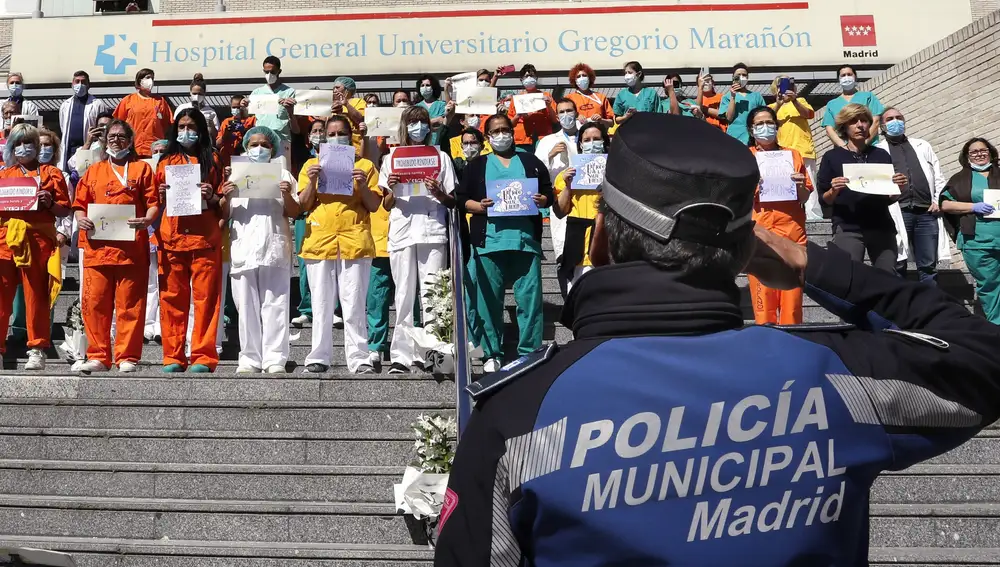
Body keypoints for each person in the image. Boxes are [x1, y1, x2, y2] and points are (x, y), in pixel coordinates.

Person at [435, 112, 1000, 566]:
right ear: (744, 251)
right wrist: (810, 263)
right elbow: (983, 354)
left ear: (600, 240)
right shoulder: (836, 376)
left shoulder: (518, 413)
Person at [458, 113, 551, 373]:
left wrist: (543, 201)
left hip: (525, 242)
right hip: (489, 242)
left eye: (504, 129)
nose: (501, 135)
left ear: (512, 131)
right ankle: (491, 353)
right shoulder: (476, 166)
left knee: (530, 301)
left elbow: (548, 193)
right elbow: (461, 199)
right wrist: (478, 207)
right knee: (488, 301)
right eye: (495, 131)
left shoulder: (531, 161)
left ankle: (530, 352)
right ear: (487, 137)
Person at [71, 120, 158, 373]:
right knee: (95, 303)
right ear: (105, 139)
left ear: (130, 141)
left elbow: (153, 202)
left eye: (121, 136)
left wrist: (148, 220)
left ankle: (127, 356)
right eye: (112, 136)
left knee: (130, 304)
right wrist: (80, 218)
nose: (115, 140)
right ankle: (98, 355)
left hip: (131, 250)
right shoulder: (94, 171)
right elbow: (79, 203)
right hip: (98, 249)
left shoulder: (142, 169)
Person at [298, 115, 382, 374]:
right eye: (331, 134)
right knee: (321, 302)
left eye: (341, 133)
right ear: (324, 138)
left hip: (354, 239)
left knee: (354, 302)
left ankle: (359, 358)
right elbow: (302, 204)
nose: (336, 138)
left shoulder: (365, 165)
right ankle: (319, 356)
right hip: (320, 239)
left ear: (351, 135)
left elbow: (374, 204)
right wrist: (312, 181)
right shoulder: (311, 164)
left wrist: (361, 185)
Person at [379, 105, 457, 374]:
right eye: (413, 122)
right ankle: (402, 355)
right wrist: (390, 187)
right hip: (402, 232)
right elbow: (387, 204)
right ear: (405, 125)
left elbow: (451, 199)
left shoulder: (441, 156)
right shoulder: (391, 158)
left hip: (432, 229)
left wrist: (437, 191)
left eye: (423, 121)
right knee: (402, 295)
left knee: (434, 294)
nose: (418, 127)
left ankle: (435, 356)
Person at [220, 126, 299, 374]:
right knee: (246, 306)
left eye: (264, 144)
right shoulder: (236, 175)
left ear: (272, 148)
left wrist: (286, 194)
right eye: (254, 144)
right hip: (243, 246)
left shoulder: (283, 173)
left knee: (275, 303)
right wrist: (226, 195)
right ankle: (250, 358)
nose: (259, 149)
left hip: (274, 246)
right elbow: (223, 214)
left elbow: (295, 211)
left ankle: (275, 358)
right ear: (246, 148)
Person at [154, 108, 225, 373]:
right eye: (181, 126)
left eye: (191, 126)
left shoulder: (214, 159)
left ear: (201, 130)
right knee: (172, 298)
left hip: (204, 237)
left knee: (206, 299)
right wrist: (161, 194)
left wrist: (212, 195)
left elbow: (223, 200)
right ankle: (173, 356)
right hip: (172, 237)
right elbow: (154, 201)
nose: (186, 131)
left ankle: (203, 355)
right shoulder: (165, 161)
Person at [0, 124, 71, 370]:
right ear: (11, 147)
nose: (24, 147)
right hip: (7, 239)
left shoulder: (52, 173)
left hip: (39, 240)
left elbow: (65, 209)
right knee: (1, 295)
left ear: (38, 145)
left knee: (36, 296)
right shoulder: (4, 174)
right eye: (18, 143)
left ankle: (37, 348)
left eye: (28, 141)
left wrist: (50, 202)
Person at [817, 103, 906, 272]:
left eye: (864, 121)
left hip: (881, 226)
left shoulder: (881, 155)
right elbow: (824, 200)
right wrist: (833, 190)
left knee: (887, 276)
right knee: (850, 276)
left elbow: (890, 198)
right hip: (848, 226)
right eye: (854, 121)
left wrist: (898, 188)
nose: (860, 125)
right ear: (844, 126)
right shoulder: (832, 157)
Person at [746, 106, 812, 324]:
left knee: (792, 301)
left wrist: (800, 185)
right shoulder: (746, 157)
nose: (765, 128)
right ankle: (765, 346)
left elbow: (804, 197)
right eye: (759, 124)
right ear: (751, 129)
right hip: (760, 232)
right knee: (763, 298)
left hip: (792, 231)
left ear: (777, 125)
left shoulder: (793, 155)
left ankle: (793, 345)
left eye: (769, 123)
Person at [875, 107, 949, 284]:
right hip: (898, 211)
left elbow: (938, 175)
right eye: (890, 119)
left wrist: (938, 200)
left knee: (928, 265)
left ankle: (931, 308)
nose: (896, 121)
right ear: (882, 126)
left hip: (926, 212)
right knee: (899, 262)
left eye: (899, 117)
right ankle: (902, 308)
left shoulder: (922, 145)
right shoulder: (878, 151)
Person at [941, 138, 1000, 323]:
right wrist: (973, 207)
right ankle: (997, 325)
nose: (979, 154)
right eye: (974, 152)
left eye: (983, 150)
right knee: (990, 286)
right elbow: (945, 204)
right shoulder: (960, 179)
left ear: (990, 152)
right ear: (967, 157)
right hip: (977, 242)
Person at [552, 122, 607, 293]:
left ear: (604, 141)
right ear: (581, 144)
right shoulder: (567, 175)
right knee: (578, 297)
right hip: (578, 243)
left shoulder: (616, 170)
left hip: (607, 238)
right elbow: (560, 211)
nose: (592, 143)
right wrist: (568, 186)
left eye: (596, 139)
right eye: (587, 140)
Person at [535, 98, 580, 297]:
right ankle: (569, 296)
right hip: (561, 200)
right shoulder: (548, 141)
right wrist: (550, 155)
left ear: (576, 112)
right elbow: (535, 170)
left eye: (569, 110)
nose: (565, 115)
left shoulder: (589, 135)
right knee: (564, 250)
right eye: (561, 112)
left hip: (589, 201)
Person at [290, 119, 328, 329]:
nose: (319, 134)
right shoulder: (305, 158)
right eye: (314, 131)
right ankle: (307, 309)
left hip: (330, 214)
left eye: (323, 130)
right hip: (307, 215)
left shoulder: (343, 157)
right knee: (305, 264)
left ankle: (334, 309)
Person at [769, 75, 821, 221]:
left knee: (809, 181)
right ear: (775, 89)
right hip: (783, 153)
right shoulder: (772, 108)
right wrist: (779, 103)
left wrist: (795, 100)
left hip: (803, 149)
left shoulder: (801, 101)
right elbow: (769, 118)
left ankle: (814, 216)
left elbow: (810, 114)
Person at [244, 56, 297, 162]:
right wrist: (243, 106)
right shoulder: (257, 93)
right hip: (261, 142)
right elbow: (247, 116)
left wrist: (290, 109)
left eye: (272, 72)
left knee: (282, 173)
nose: (269, 75)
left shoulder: (289, 92)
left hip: (282, 140)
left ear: (279, 71)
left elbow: (295, 126)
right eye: (266, 72)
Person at [113, 68, 172, 159]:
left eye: (152, 78)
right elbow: (118, 124)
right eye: (147, 77)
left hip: (154, 151)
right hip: (132, 149)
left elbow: (167, 125)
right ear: (139, 81)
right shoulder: (127, 100)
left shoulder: (160, 101)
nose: (151, 81)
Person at [822, 64, 884, 148]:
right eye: (843, 75)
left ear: (855, 77)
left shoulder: (868, 96)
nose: (846, 77)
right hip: (844, 151)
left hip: (870, 147)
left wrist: (865, 143)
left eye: (849, 74)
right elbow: (829, 130)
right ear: (839, 80)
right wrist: (844, 147)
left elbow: (876, 121)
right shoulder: (832, 104)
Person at [59, 71, 107, 171]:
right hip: (69, 151)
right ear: (72, 84)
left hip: (90, 149)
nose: (80, 85)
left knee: (85, 177)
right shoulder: (65, 105)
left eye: (83, 82)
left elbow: (104, 128)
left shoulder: (98, 104)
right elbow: (63, 128)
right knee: (70, 179)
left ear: (89, 85)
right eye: (77, 81)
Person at [505, 64, 557, 152]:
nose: (529, 78)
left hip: (543, 138)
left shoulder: (546, 96)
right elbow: (510, 124)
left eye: (531, 75)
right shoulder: (516, 99)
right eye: (526, 76)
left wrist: (548, 106)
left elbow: (555, 120)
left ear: (536, 78)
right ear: (521, 79)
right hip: (522, 140)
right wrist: (518, 115)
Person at [719, 62, 766, 144]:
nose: (741, 77)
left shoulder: (756, 96)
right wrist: (733, 97)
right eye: (738, 75)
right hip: (735, 136)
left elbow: (765, 114)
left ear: (747, 78)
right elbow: (729, 118)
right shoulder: (726, 97)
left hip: (754, 136)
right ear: (733, 77)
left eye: (744, 75)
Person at [565, 63, 614, 129]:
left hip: (599, 134)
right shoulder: (569, 98)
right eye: (578, 76)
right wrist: (576, 117)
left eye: (584, 75)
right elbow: (565, 119)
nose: (581, 78)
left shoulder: (601, 97)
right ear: (574, 80)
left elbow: (611, 123)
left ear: (589, 78)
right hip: (579, 135)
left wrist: (601, 120)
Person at [215, 95, 256, 168]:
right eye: (234, 107)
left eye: (238, 107)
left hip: (245, 157)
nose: (236, 109)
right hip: (228, 159)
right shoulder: (226, 121)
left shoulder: (251, 120)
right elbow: (218, 144)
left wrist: (245, 131)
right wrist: (225, 135)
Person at [332, 76, 367, 155]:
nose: (334, 90)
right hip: (335, 149)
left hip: (356, 150)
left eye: (337, 87)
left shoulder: (358, 102)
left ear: (347, 89)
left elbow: (360, 119)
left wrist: (346, 104)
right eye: (333, 88)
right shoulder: (333, 104)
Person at [415, 75, 447, 146]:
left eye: (427, 85)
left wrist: (425, 123)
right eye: (422, 85)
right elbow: (416, 126)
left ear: (433, 87)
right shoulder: (416, 107)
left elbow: (443, 122)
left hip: (439, 143)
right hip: (421, 144)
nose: (425, 88)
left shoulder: (442, 105)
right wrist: (434, 121)